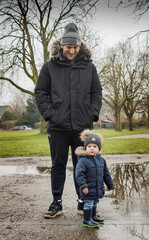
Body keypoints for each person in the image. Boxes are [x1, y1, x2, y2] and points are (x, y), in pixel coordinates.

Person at [35, 23, 102, 218]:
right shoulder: (49, 67)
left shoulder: (89, 67)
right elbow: (40, 92)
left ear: (80, 46)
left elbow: (97, 92)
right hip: (57, 126)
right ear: (61, 46)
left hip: (82, 126)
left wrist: (92, 114)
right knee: (58, 165)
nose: (71, 51)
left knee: (83, 165)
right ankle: (57, 203)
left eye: (75, 47)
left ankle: (83, 202)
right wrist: (50, 114)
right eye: (68, 47)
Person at [75, 129, 114, 228]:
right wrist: (83, 185)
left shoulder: (101, 160)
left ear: (99, 148)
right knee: (88, 204)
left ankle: (93, 217)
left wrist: (110, 184)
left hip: (97, 188)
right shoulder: (83, 160)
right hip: (87, 188)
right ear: (85, 147)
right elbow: (79, 174)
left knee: (95, 202)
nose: (92, 148)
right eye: (89, 146)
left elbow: (106, 173)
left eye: (94, 146)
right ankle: (87, 220)